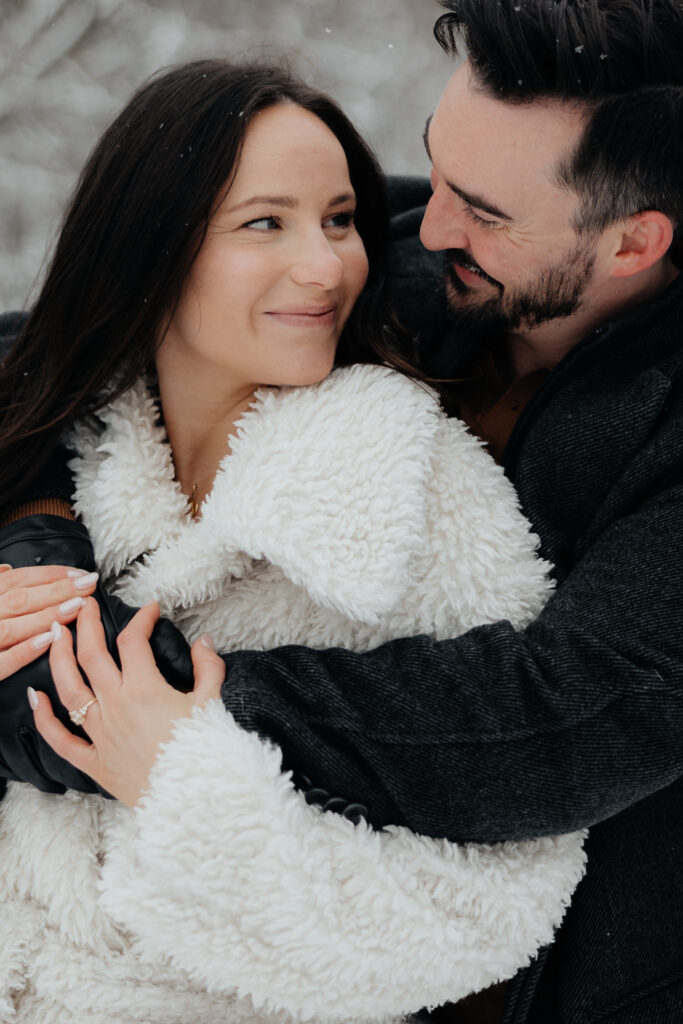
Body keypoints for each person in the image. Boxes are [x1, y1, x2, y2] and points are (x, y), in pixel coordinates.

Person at [1, 0, 682, 1020]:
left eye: (484, 210)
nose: (424, 223)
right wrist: (32, 534)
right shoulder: (394, 270)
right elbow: (72, 341)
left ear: (633, 242)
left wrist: (178, 715)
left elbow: (565, 715)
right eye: (435, 168)